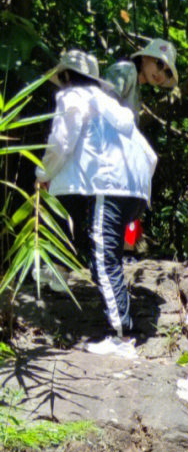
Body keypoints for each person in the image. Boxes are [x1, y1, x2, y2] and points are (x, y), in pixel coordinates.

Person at [35, 49, 157, 357]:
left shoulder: (73, 96)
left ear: (65, 77)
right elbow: (148, 152)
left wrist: (42, 173)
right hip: (133, 186)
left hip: (110, 184)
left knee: (103, 256)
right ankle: (59, 272)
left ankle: (121, 335)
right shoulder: (107, 104)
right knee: (103, 249)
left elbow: (62, 141)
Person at [104, 37, 179, 119]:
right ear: (145, 57)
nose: (160, 73)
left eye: (167, 72)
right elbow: (104, 109)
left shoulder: (136, 92)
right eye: (159, 64)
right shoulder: (126, 70)